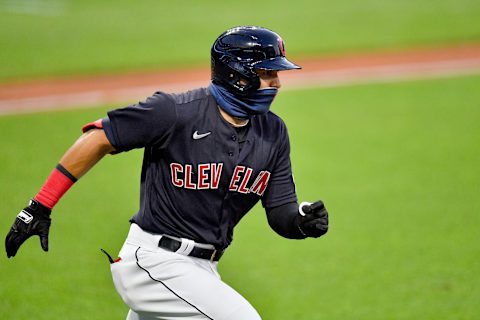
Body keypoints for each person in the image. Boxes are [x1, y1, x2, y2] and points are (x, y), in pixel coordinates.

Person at [5, 26, 329, 320]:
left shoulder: (273, 133)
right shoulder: (174, 112)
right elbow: (99, 138)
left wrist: (300, 221)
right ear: (238, 75)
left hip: (202, 271)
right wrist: (40, 205)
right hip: (152, 262)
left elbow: (280, 210)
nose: (277, 83)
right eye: (268, 73)